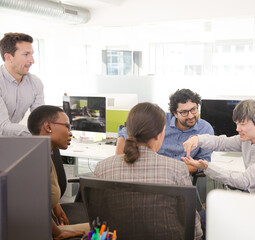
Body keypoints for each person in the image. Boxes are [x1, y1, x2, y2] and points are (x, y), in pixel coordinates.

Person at [95, 102, 203, 239]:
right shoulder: (176, 168)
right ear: (159, 135)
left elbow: (98, 221)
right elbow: (193, 226)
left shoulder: (102, 167)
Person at [182, 100, 255, 199]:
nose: (237, 129)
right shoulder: (247, 139)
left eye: (242, 124)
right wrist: (197, 139)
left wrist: (207, 167)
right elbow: (222, 142)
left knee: (208, 218)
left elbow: (244, 181)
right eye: (237, 124)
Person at [116, 88, 214, 173]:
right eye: (184, 112)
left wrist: (172, 171)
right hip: (151, 170)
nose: (191, 115)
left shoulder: (205, 129)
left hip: (180, 173)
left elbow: (202, 163)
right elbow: (125, 132)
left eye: (193, 109)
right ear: (174, 113)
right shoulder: (161, 119)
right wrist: (119, 163)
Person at [28, 105, 88, 240]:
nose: (70, 132)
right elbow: (33, 207)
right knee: (105, 227)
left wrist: (55, 205)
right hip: (40, 232)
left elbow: (40, 194)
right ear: (48, 127)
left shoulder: (43, 153)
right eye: (67, 126)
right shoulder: (36, 161)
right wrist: (58, 233)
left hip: (43, 226)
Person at [0, 32, 44, 136]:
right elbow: (2, 127)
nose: (32, 60)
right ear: (9, 57)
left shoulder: (35, 83)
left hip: (11, 142)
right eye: (26, 55)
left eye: (31, 54)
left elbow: (40, 119)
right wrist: (40, 132)